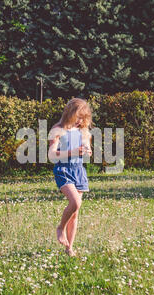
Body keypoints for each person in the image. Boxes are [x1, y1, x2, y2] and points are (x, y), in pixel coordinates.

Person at [48, 98, 93, 257]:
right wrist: (73, 152)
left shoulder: (83, 131)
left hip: (78, 170)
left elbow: (86, 148)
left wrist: (87, 150)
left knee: (75, 212)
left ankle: (69, 248)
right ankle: (60, 227)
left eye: (83, 118)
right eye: (78, 117)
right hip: (63, 169)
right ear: (70, 113)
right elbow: (52, 154)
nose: (80, 121)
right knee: (75, 202)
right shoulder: (57, 129)